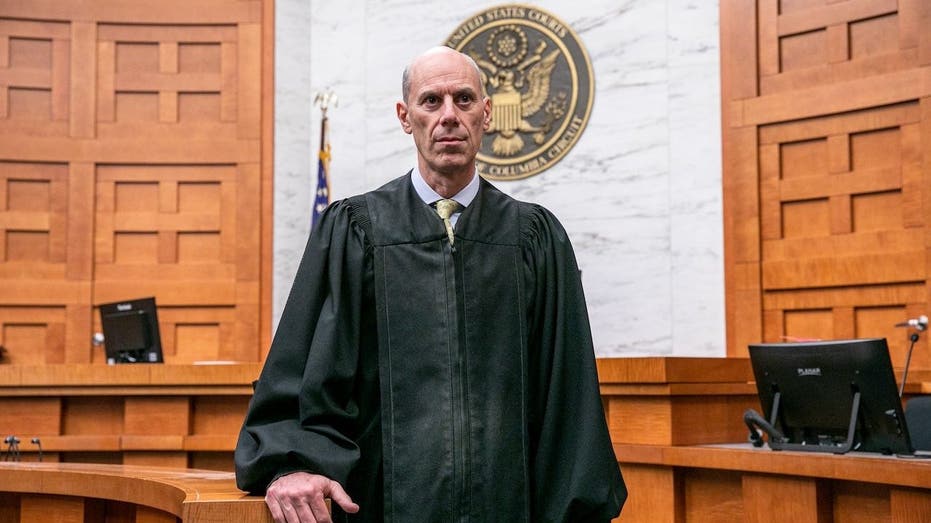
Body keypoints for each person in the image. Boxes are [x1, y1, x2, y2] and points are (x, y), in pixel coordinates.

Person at [235, 46, 627, 523]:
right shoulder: (357, 230)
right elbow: (306, 366)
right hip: (381, 506)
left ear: (486, 113)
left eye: (464, 99)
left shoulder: (532, 238)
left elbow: (567, 389)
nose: (449, 116)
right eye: (431, 101)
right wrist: (294, 462)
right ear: (406, 117)